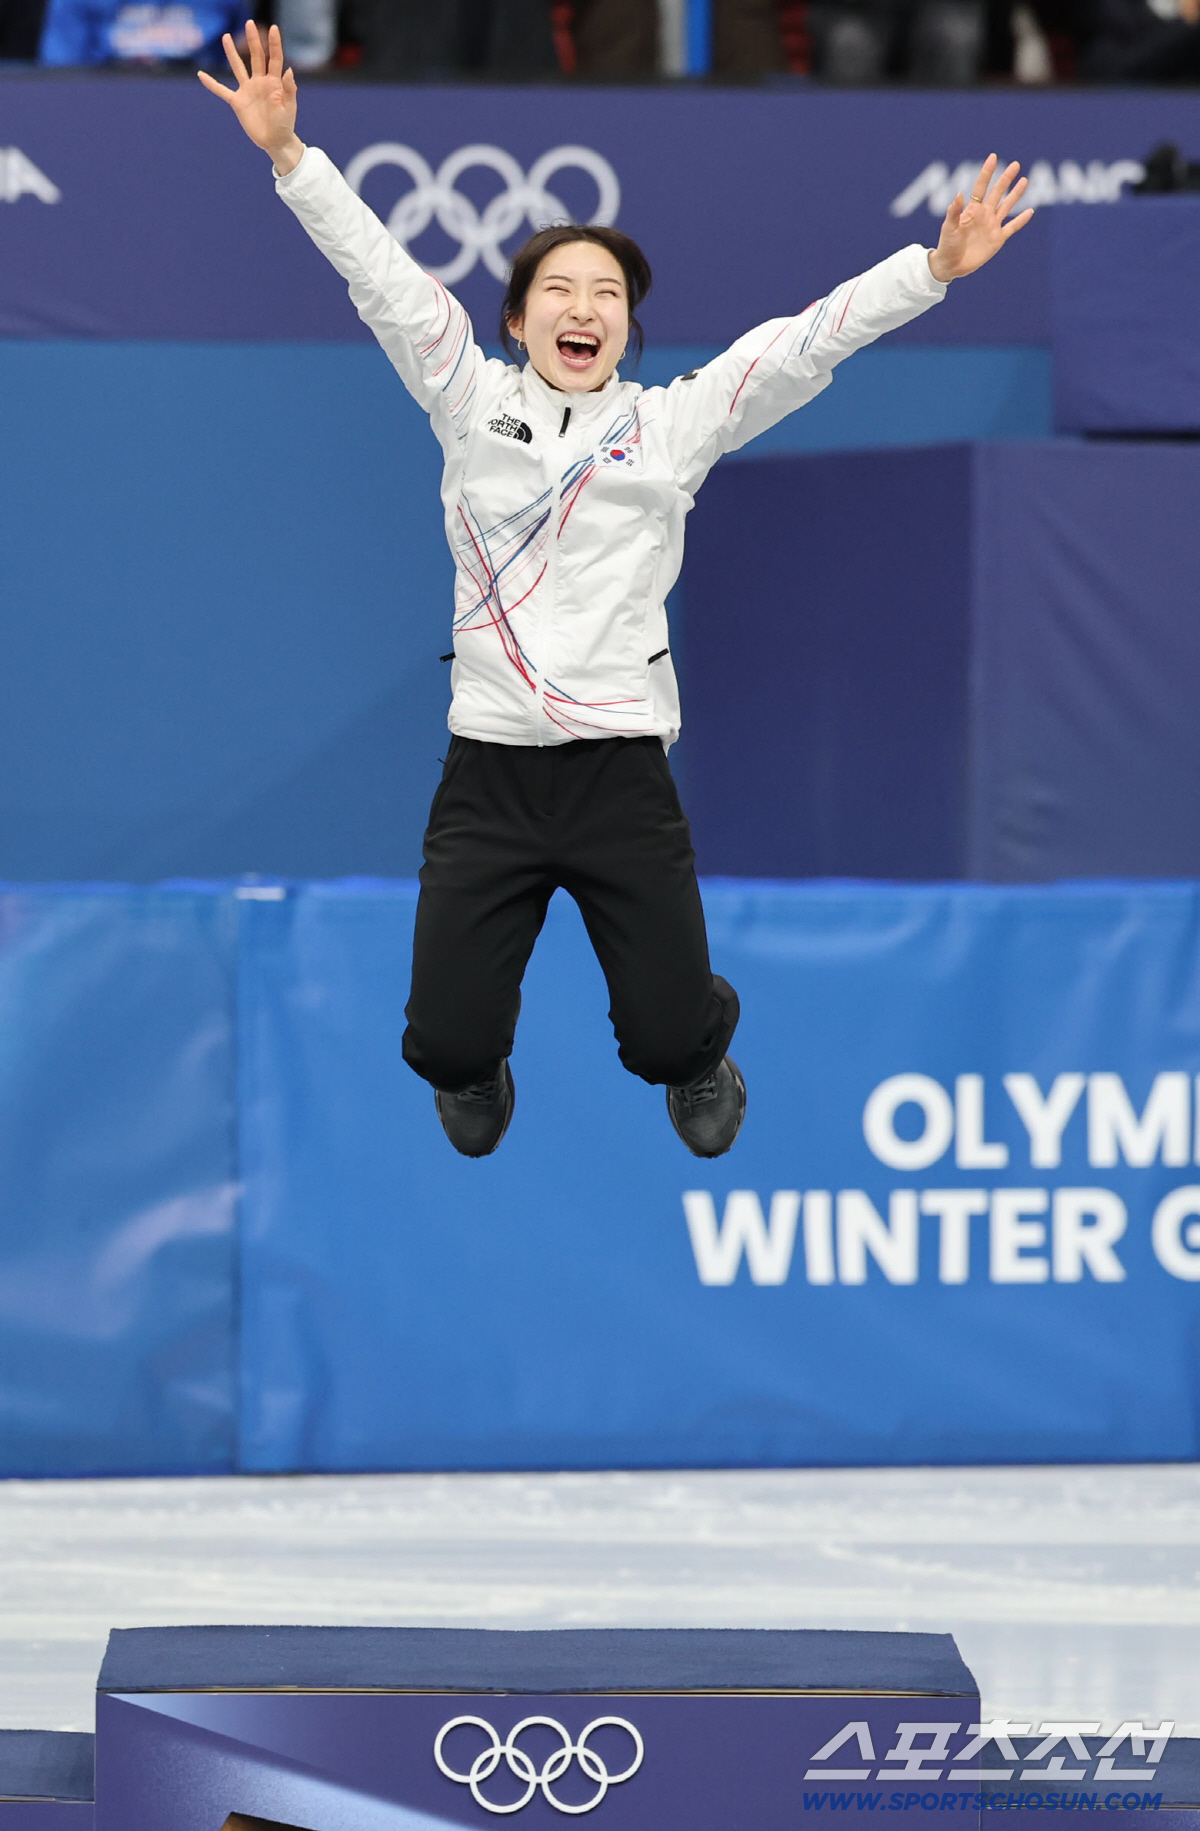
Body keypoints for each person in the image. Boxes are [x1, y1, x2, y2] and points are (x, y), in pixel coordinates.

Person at [200, 24, 1031, 1160]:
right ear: (519, 319)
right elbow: (379, 271)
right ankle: (474, 1059)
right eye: (560, 289)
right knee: (440, 1044)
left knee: (659, 1034)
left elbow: (800, 347)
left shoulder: (667, 425)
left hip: (619, 776)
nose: (584, 308)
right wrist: (291, 155)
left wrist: (929, 271)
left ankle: (700, 1050)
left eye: (607, 294)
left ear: (627, 329)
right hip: (487, 777)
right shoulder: (462, 392)